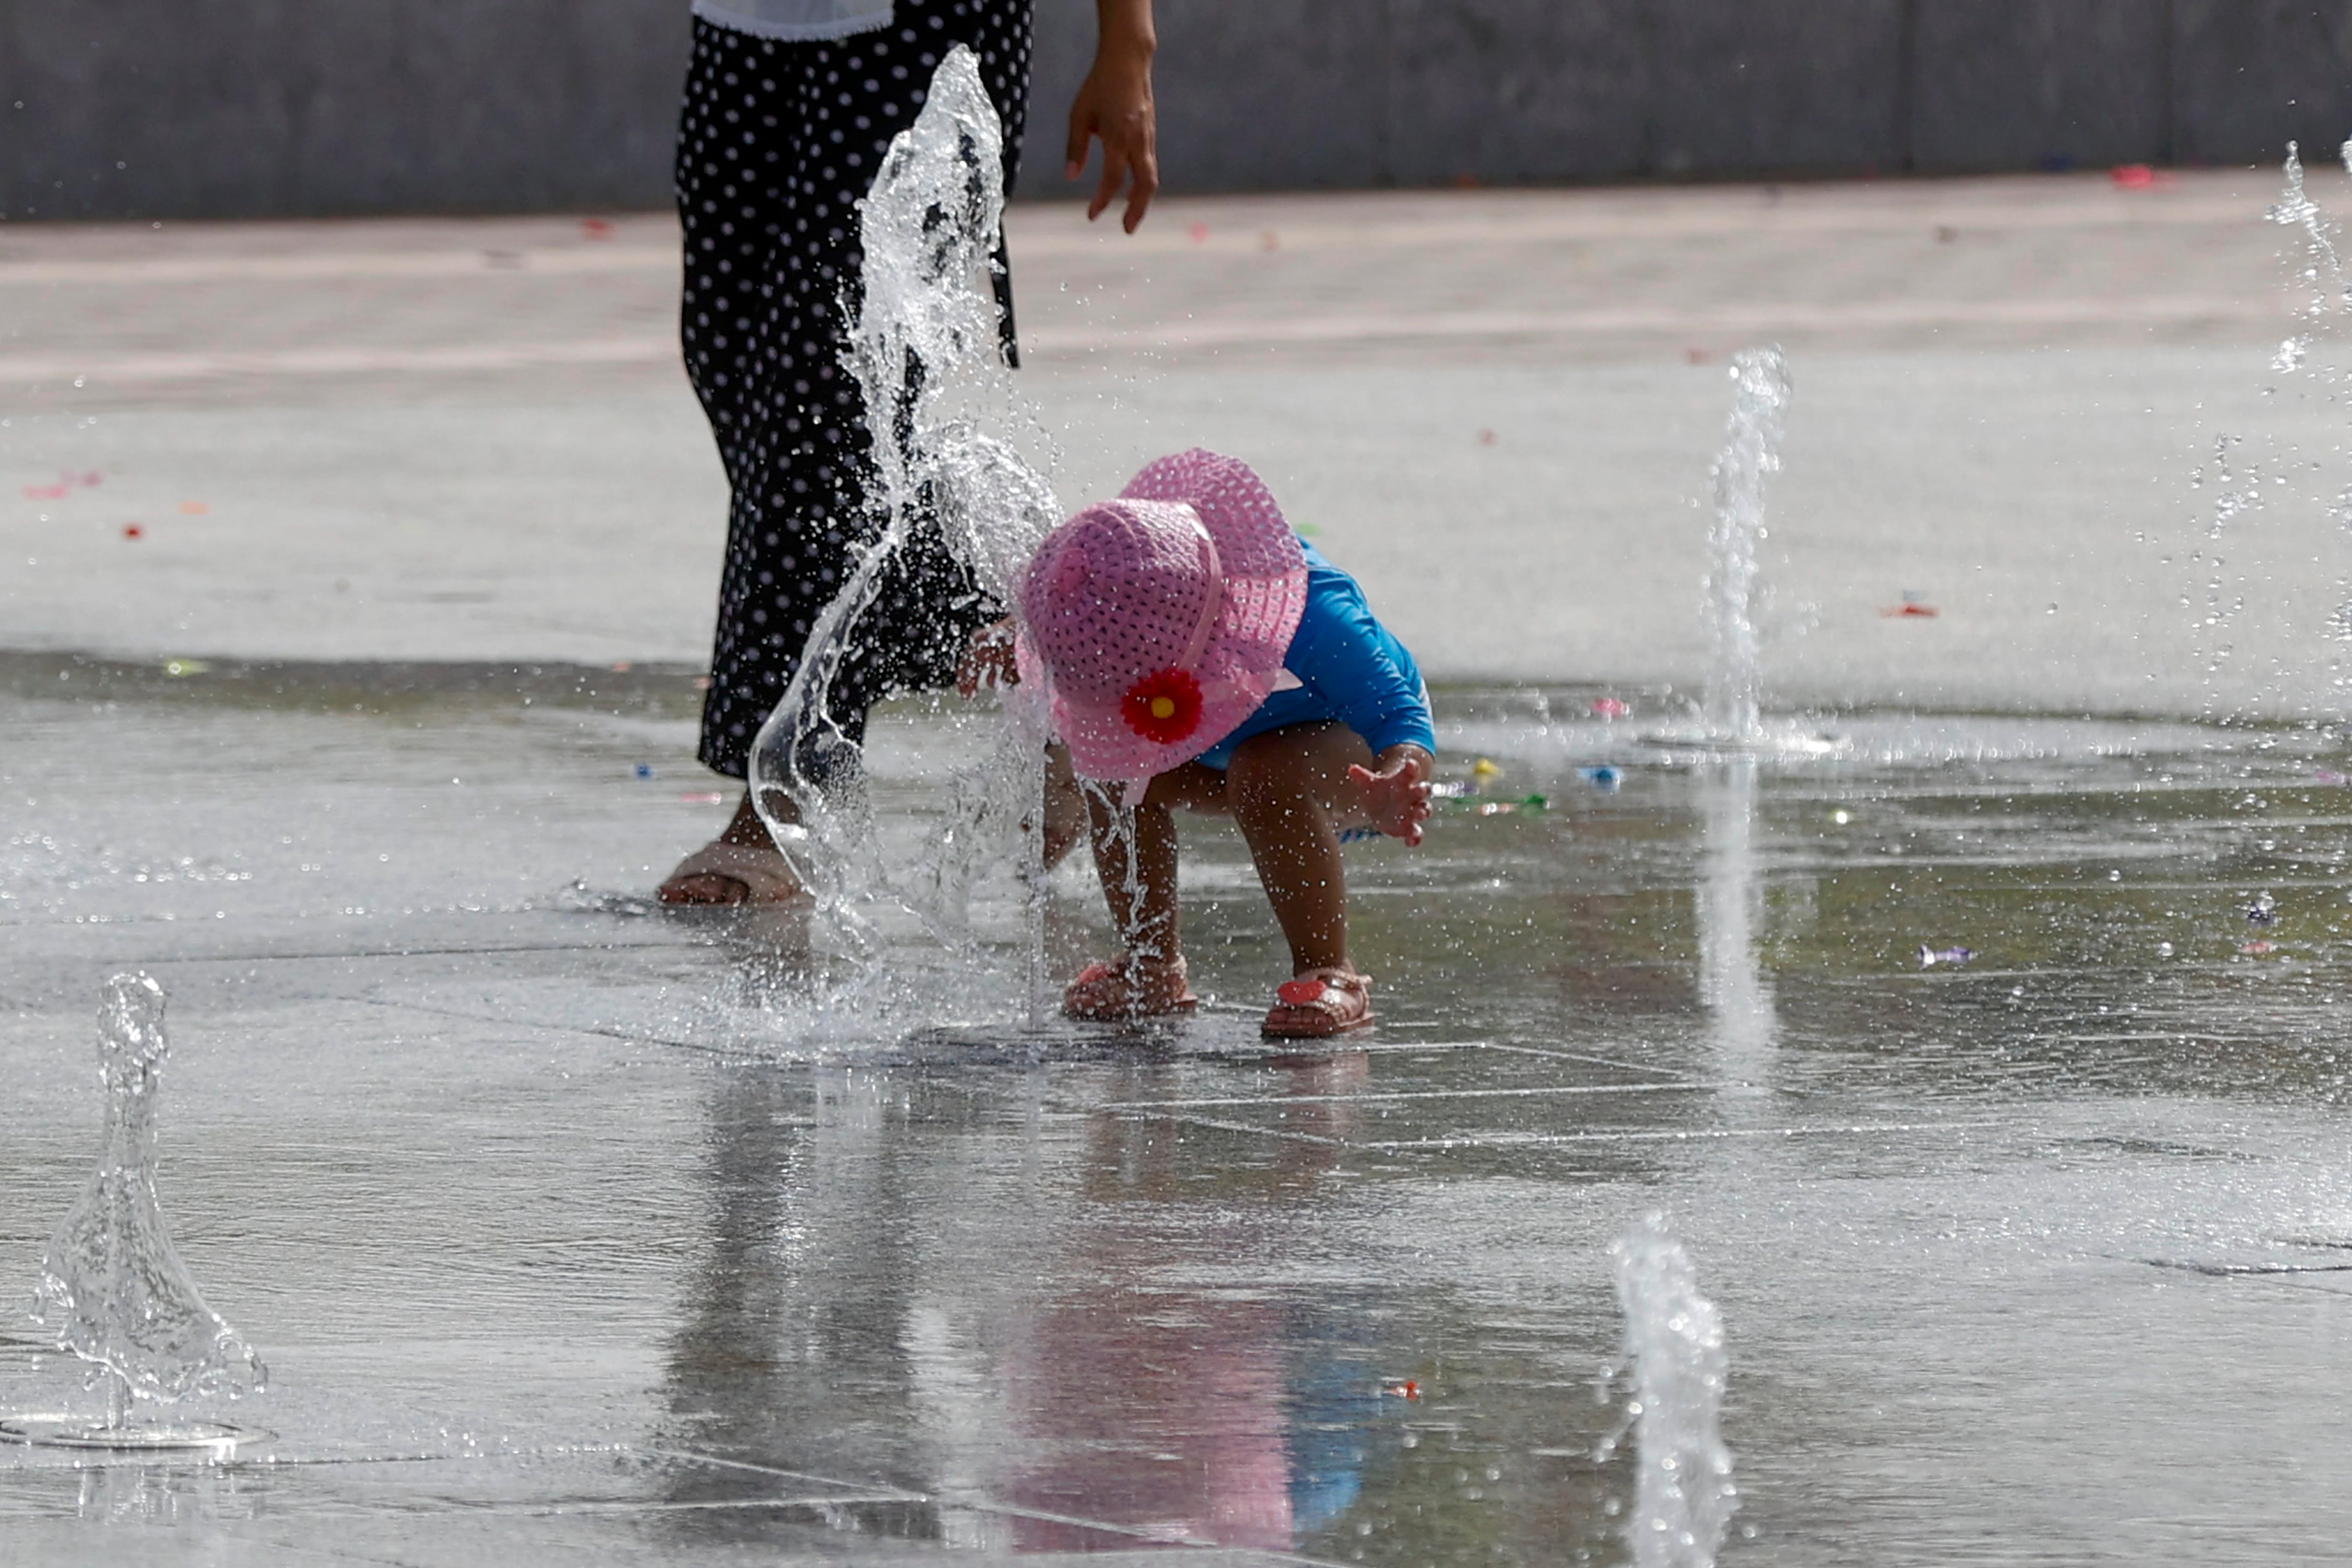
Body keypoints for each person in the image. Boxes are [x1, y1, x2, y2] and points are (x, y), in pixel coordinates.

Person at [660, 0, 1160, 905]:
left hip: (922, 22)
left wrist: (1127, 41)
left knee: (827, 389)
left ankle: (782, 803)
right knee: (734, 360)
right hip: (746, 23)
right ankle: (1064, 668)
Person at [1004, 449, 1435, 1038]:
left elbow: (1397, 712)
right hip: (1220, 751)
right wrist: (1016, 642)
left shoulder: (1309, 606)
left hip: (1353, 760)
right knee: (1115, 773)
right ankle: (1150, 961)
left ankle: (1330, 971)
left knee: (1264, 773)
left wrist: (1397, 776)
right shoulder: (1117, 610)